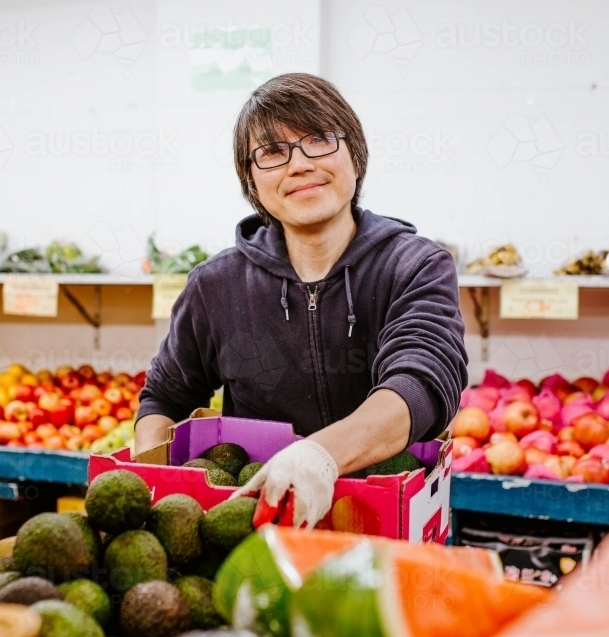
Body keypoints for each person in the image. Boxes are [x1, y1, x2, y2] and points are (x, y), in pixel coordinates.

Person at [135, 73, 467, 528]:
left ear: (355, 154)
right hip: (257, 525)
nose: (299, 164)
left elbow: (422, 383)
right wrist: (147, 482)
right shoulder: (215, 285)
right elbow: (165, 397)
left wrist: (319, 456)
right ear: (251, 179)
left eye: (318, 139)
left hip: (384, 518)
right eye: (272, 152)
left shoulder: (415, 265)